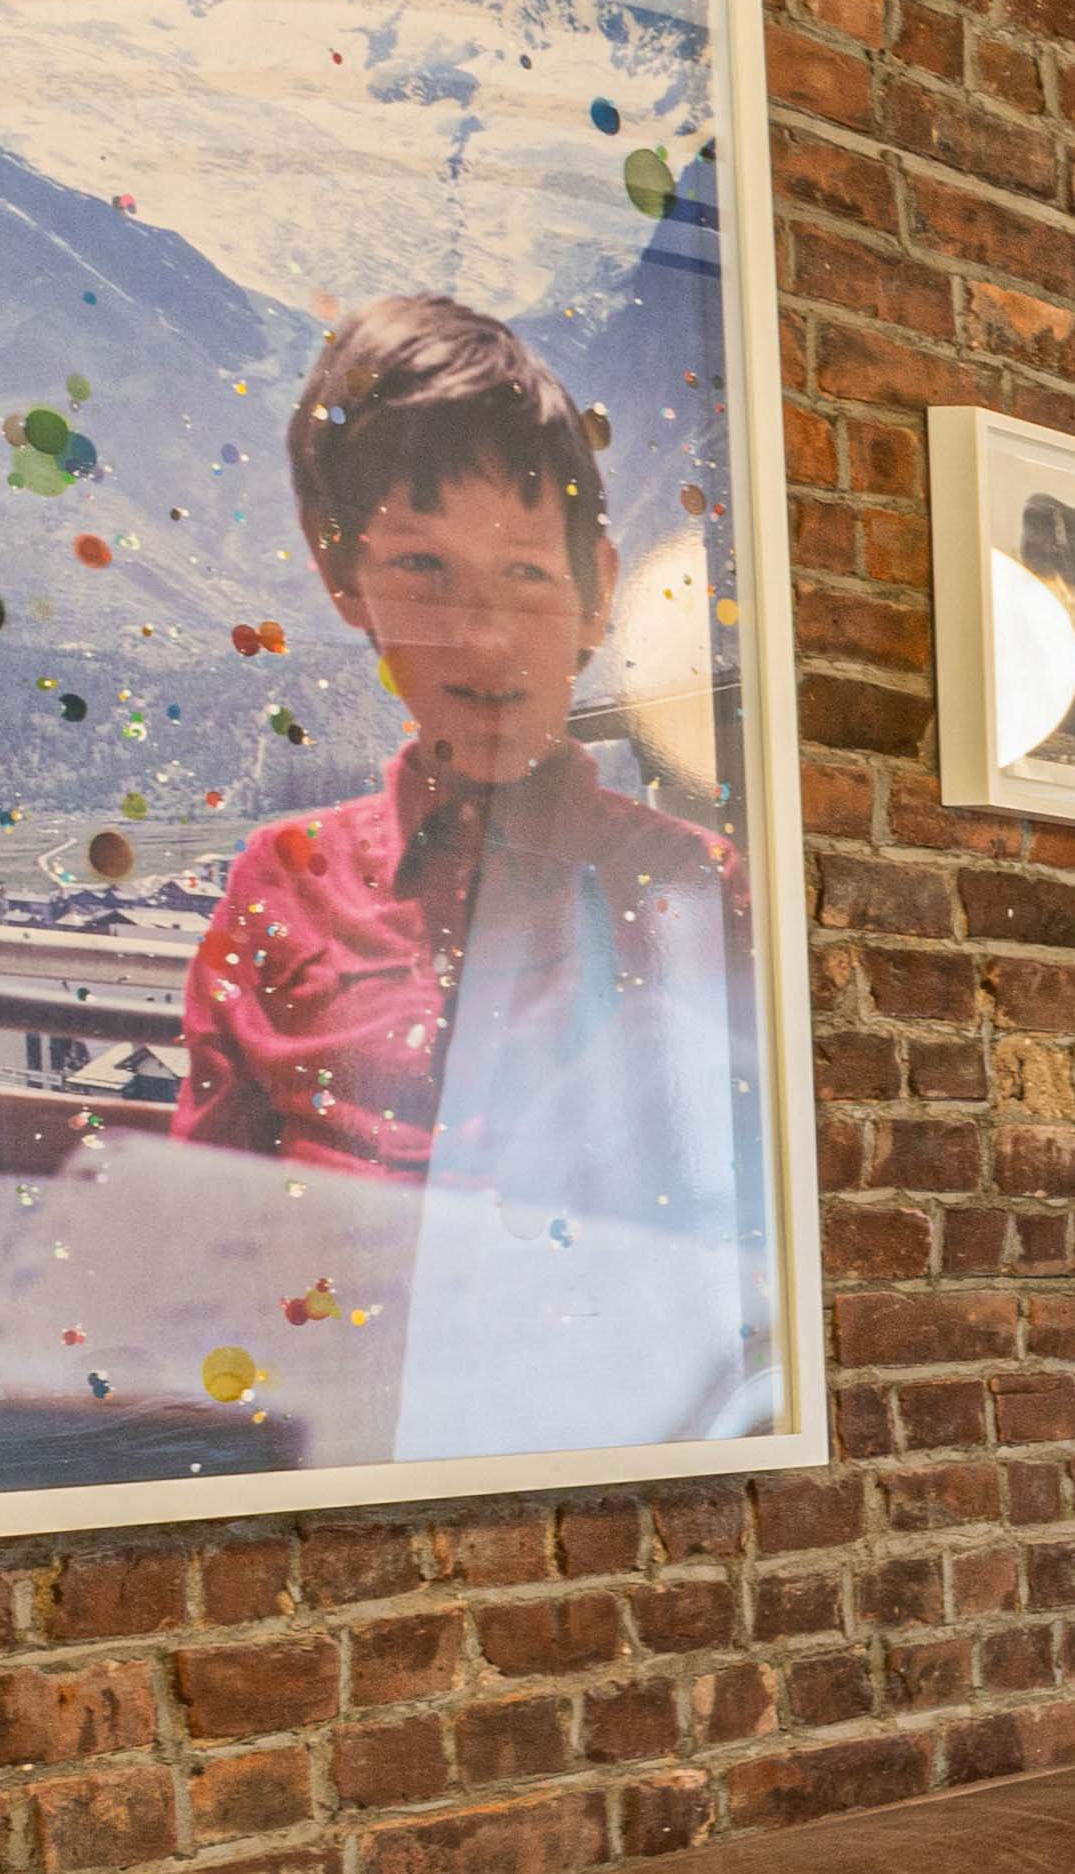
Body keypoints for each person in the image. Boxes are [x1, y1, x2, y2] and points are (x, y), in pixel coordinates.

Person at [172, 302, 762, 1388]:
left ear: (598, 592)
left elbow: (746, 1248)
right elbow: (201, 1244)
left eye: (526, 575)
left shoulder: (691, 890)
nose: (484, 637)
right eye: (423, 568)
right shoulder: (281, 887)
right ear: (344, 579)